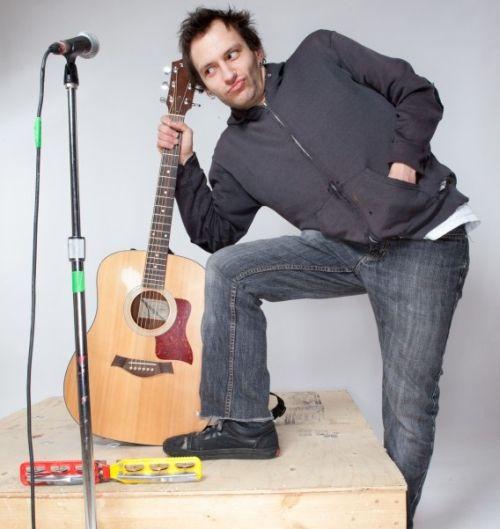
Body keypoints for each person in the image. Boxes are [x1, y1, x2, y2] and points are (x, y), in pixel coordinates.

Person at [157, 7, 479, 527]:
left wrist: (403, 164)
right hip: (346, 250)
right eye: (211, 70)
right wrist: (184, 163)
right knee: (230, 270)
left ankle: (393, 520)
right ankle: (244, 424)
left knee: (408, 405)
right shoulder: (234, 152)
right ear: (205, 88)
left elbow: (417, 93)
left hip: (424, 239)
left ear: (256, 50)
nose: (228, 73)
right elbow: (215, 233)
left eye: (232, 54)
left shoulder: (321, 52)